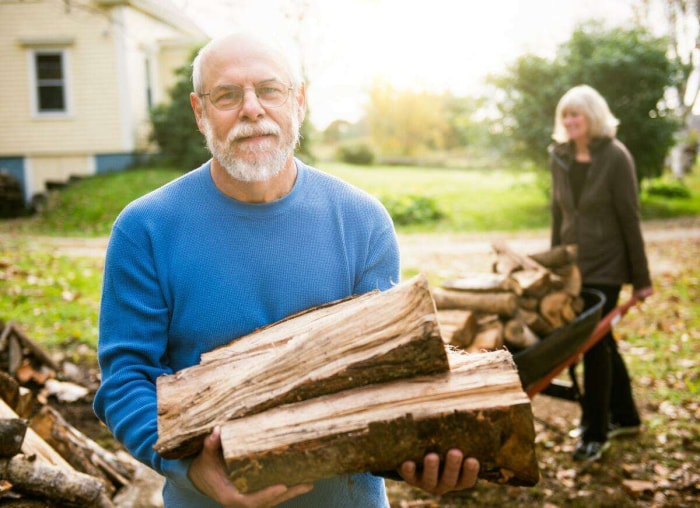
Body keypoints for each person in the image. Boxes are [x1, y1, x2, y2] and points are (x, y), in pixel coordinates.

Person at [93, 31, 479, 507]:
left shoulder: (361, 220)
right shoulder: (145, 229)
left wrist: (428, 449)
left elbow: (386, 376)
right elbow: (125, 378)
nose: (251, 109)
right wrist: (190, 467)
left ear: (299, 102)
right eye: (227, 95)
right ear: (199, 112)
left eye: (269, 90)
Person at [548, 84, 654, 463]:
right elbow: (558, 216)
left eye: (577, 114)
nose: (570, 121)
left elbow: (630, 217)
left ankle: (595, 432)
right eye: (565, 115)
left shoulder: (616, 157)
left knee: (592, 343)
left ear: (593, 116)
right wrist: (553, 267)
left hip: (607, 266)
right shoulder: (558, 157)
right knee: (602, 340)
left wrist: (641, 280)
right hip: (574, 268)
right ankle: (625, 416)